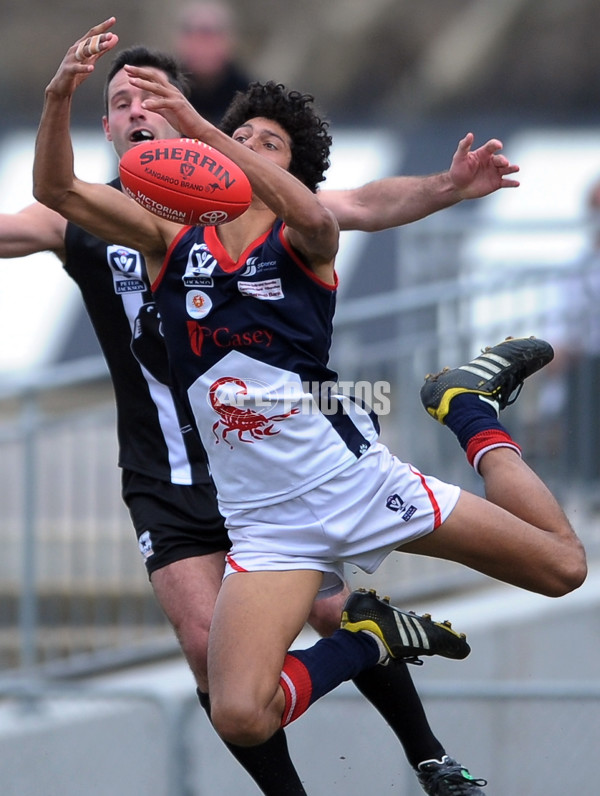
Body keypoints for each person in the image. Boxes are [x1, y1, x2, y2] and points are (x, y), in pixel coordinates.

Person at [15, 17, 526, 794]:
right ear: (107, 124)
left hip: (266, 460)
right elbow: (38, 203)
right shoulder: (86, 217)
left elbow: (352, 204)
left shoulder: (233, 203)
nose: (135, 109)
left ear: (184, 119)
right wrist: (58, 94)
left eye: (153, 95)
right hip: (163, 468)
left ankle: (429, 755)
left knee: (333, 611)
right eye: (119, 100)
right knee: (204, 651)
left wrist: (448, 186)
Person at [171, 0, 252, 124]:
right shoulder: (166, 91)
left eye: (209, 35)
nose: (202, 46)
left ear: (229, 41)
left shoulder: (250, 96)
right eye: (192, 35)